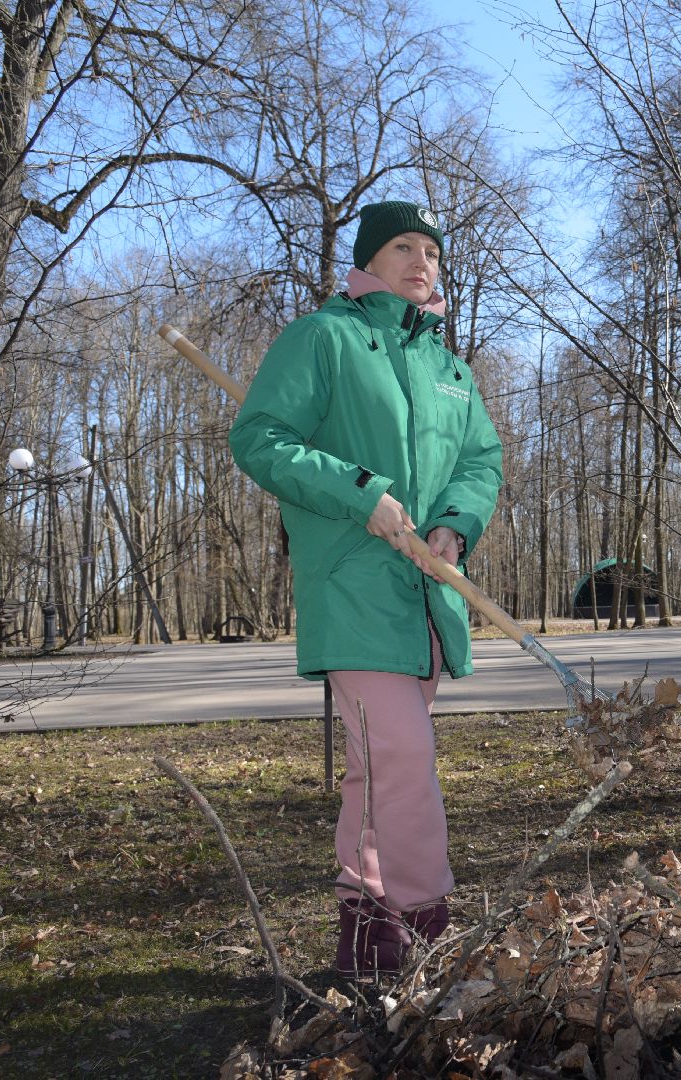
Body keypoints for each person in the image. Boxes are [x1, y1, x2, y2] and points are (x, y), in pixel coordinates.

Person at [229, 201, 504, 978]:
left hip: (426, 601)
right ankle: (426, 926)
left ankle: (368, 931)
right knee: (403, 761)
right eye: (404, 247)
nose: (424, 262)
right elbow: (259, 437)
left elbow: (482, 459)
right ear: (367, 262)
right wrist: (362, 493)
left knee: (378, 771)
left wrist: (454, 524)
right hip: (353, 589)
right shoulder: (325, 337)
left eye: (433, 252)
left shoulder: (451, 368)